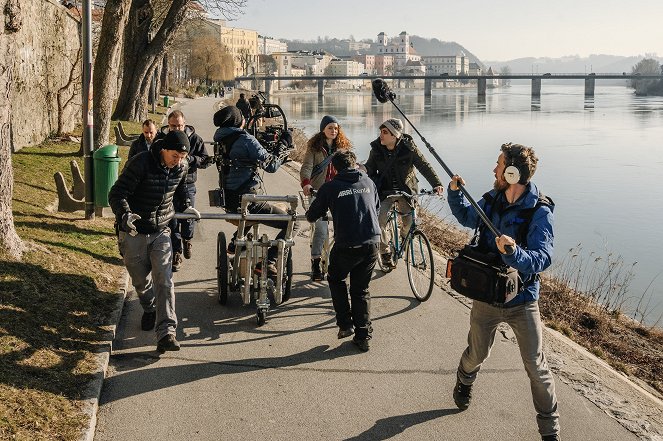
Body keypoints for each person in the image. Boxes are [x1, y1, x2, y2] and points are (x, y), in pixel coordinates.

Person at [447, 143, 559, 441]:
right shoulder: (492, 199)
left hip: (523, 301)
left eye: (498, 165)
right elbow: (467, 217)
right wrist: (455, 192)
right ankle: (464, 378)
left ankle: (550, 431)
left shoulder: (540, 212)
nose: (493, 170)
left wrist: (513, 253)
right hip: (488, 297)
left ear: (512, 173)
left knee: (536, 366)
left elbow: (541, 259)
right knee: (477, 353)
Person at [108, 130, 200, 353]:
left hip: (161, 231)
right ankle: (149, 308)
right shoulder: (141, 163)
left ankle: (167, 332)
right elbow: (117, 193)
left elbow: (179, 190)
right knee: (140, 280)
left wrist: (186, 204)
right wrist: (125, 214)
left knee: (164, 279)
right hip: (133, 231)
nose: (178, 162)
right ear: (163, 150)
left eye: (182, 158)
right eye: (174, 157)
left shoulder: (181, 167)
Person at [306, 150, 380, 352]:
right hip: (372, 242)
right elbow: (376, 207)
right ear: (355, 164)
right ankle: (363, 336)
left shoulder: (330, 187)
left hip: (347, 244)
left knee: (336, 279)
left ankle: (345, 324)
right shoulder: (368, 182)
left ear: (333, 168)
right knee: (360, 289)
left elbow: (312, 215)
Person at [212, 105, 293, 276]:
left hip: (229, 200)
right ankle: (268, 261)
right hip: (249, 202)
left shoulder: (221, 139)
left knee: (249, 209)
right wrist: (284, 144)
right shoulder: (246, 140)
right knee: (292, 223)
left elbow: (242, 159)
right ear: (238, 120)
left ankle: (235, 242)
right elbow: (271, 165)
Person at [363, 118, 444, 268]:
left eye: (385, 132)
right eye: (381, 131)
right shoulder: (376, 149)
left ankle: (403, 237)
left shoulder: (409, 148)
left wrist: (436, 184)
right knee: (378, 222)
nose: (381, 135)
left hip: (406, 191)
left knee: (410, 224)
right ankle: (385, 252)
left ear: (395, 135)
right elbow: (370, 167)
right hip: (385, 191)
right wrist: (362, 169)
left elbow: (424, 166)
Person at [300, 115, 352, 281]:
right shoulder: (314, 148)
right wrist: (306, 184)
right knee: (321, 230)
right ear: (323, 129)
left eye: (336, 128)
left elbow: (351, 166)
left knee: (344, 229)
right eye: (330, 128)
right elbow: (306, 167)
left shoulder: (343, 148)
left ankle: (339, 262)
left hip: (338, 193)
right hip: (319, 193)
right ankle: (316, 261)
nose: (334, 131)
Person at [158, 110, 210, 271]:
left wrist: (191, 159)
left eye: (179, 126)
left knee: (188, 217)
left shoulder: (195, 139)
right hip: (169, 184)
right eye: (173, 126)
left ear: (184, 124)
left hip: (188, 184)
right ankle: (176, 253)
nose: (176, 129)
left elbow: (205, 160)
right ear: (168, 125)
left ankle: (188, 240)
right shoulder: (162, 139)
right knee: (171, 220)